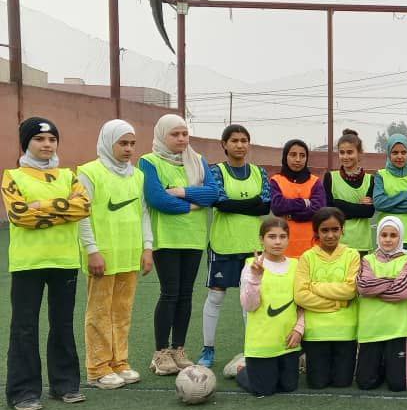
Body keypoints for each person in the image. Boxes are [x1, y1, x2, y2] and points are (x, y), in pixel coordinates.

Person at [3, 117, 91, 410]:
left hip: (64, 260)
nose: (47, 144)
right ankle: (23, 392)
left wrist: (40, 206)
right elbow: (20, 216)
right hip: (28, 263)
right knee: (24, 327)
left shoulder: (68, 175)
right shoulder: (12, 176)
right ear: (26, 143)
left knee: (62, 323)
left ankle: (65, 385)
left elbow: (83, 207)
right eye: (39, 139)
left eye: (52, 139)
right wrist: (62, 209)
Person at [140, 114, 218, 375]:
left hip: (194, 238)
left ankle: (178, 349)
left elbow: (213, 193)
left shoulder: (198, 160)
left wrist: (180, 191)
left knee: (186, 295)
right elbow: (157, 199)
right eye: (175, 134)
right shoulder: (149, 161)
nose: (182, 139)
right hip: (167, 239)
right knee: (170, 293)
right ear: (162, 135)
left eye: (185, 134)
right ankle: (161, 353)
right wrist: (194, 204)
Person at [77, 119, 152, 390]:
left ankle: (119, 361)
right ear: (108, 142)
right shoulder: (89, 172)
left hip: (129, 254)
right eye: (123, 143)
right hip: (103, 256)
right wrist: (92, 251)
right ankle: (97, 368)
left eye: (132, 143)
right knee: (99, 312)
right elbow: (82, 215)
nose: (129, 148)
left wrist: (147, 247)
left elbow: (143, 213)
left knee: (122, 311)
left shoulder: (138, 175)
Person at [201, 124, 270, 367]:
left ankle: (251, 348)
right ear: (224, 144)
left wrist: (235, 204)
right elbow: (220, 202)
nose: (240, 145)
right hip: (224, 244)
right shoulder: (216, 171)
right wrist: (251, 202)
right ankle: (208, 350)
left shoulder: (260, 172)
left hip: (252, 246)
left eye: (244, 140)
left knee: (249, 297)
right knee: (216, 296)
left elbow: (266, 206)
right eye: (234, 140)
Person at [237, 218, 304, 397]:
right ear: (262, 239)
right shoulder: (251, 265)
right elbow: (249, 306)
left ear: (288, 239)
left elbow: (303, 303)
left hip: (288, 343)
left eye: (282, 237)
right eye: (272, 237)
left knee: (289, 387)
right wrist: (255, 278)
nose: (277, 242)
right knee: (263, 391)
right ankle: (242, 370)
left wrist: (299, 328)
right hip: (262, 345)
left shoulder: (296, 265)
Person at [295, 207, 361, 389]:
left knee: (342, 383)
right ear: (316, 231)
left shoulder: (352, 255)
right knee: (317, 383)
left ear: (342, 229)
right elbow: (301, 296)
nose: (330, 235)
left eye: (335, 229)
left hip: (346, 330)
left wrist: (315, 286)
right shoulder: (307, 257)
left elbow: (350, 290)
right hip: (316, 332)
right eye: (324, 230)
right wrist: (338, 302)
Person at [355, 216, 407, 391]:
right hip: (371, 328)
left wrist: (375, 287)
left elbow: (401, 292)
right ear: (378, 236)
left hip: (397, 329)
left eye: (393, 235)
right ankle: (383, 364)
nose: (388, 239)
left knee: (399, 385)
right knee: (365, 383)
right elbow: (363, 287)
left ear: (400, 237)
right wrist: (392, 280)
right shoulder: (367, 260)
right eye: (384, 235)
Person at [373, 134, 407, 261]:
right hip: (387, 236)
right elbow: (379, 203)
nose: (400, 156)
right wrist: (404, 195)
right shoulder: (381, 175)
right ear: (388, 153)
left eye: (404, 152)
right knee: (386, 273)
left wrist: (389, 206)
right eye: (395, 152)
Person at [269, 138, 325, 258]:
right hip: (283, 245)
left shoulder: (315, 182)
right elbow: (277, 207)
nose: (298, 159)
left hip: (312, 246)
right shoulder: (276, 180)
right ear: (285, 156)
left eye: (302, 155)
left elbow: (318, 210)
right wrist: (305, 202)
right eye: (293, 155)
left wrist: (291, 215)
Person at [324, 128, 375, 256]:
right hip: (336, 243)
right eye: (342, 152)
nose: (345, 157)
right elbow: (328, 210)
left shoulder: (370, 180)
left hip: (361, 244)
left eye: (350, 152)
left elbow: (369, 211)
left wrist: (339, 204)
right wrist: (359, 208)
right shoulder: (330, 178)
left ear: (360, 154)